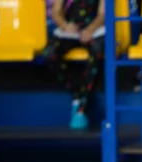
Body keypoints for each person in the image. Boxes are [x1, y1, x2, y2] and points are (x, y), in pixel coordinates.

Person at [43, 0, 105, 130]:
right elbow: (56, 12)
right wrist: (65, 26)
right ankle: (78, 93)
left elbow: (102, 14)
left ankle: (81, 108)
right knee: (49, 54)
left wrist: (90, 29)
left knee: (97, 53)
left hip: (94, 30)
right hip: (69, 30)